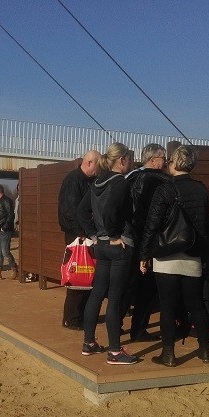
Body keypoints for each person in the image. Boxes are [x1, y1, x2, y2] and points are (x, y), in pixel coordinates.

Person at [139, 144, 209, 366]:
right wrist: (204, 255)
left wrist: (144, 254)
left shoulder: (165, 189)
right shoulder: (202, 190)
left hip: (167, 254)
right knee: (196, 304)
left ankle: (169, 354)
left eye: (170, 160)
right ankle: (205, 351)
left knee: (168, 306)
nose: (168, 164)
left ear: (176, 162)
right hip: (193, 254)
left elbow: (152, 225)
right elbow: (205, 226)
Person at [76, 142, 139, 365]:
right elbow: (112, 211)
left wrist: (94, 235)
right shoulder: (121, 182)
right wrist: (113, 235)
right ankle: (114, 351)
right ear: (122, 160)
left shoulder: (97, 182)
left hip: (101, 245)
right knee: (115, 297)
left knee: (97, 293)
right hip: (118, 244)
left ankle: (89, 343)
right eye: (130, 158)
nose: (132, 162)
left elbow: (82, 211)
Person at [124, 143, 169, 342]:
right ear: (153, 160)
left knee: (126, 285)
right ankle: (139, 330)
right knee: (146, 288)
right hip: (149, 240)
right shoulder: (159, 181)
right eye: (163, 158)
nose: (165, 162)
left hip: (128, 238)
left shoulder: (130, 177)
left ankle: (116, 327)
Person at [58, 150, 100, 330]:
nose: (100, 169)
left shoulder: (85, 180)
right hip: (78, 235)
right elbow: (69, 210)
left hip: (83, 234)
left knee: (86, 275)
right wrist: (81, 232)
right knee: (77, 276)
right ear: (90, 163)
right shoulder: (74, 180)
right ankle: (72, 318)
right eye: (99, 165)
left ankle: (79, 316)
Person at [0, 183, 17, 280]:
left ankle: (14, 269)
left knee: (5, 251)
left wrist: (4, 227)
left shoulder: (6, 201)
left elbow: (10, 215)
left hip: (4, 230)